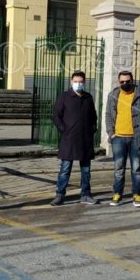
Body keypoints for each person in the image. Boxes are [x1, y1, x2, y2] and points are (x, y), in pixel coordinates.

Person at [105, 70, 140, 207]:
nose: (125, 84)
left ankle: (137, 195)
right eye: (122, 82)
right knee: (118, 168)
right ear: (118, 82)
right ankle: (118, 194)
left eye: (128, 81)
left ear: (132, 80)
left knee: (136, 168)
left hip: (136, 138)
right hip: (118, 138)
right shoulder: (113, 95)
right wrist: (111, 132)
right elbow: (108, 114)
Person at [50, 70, 98, 206]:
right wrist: (63, 129)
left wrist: (92, 129)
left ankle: (86, 194)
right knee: (65, 169)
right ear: (71, 82)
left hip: (85, 140)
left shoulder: (88, 98)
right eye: (75, 82)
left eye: (80, 82)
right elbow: (56, 115)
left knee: (86, 170)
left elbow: (94, 116)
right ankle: (60, 195)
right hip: (69, 139)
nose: (78, 84)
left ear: (84, 82)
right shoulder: (64, 97)